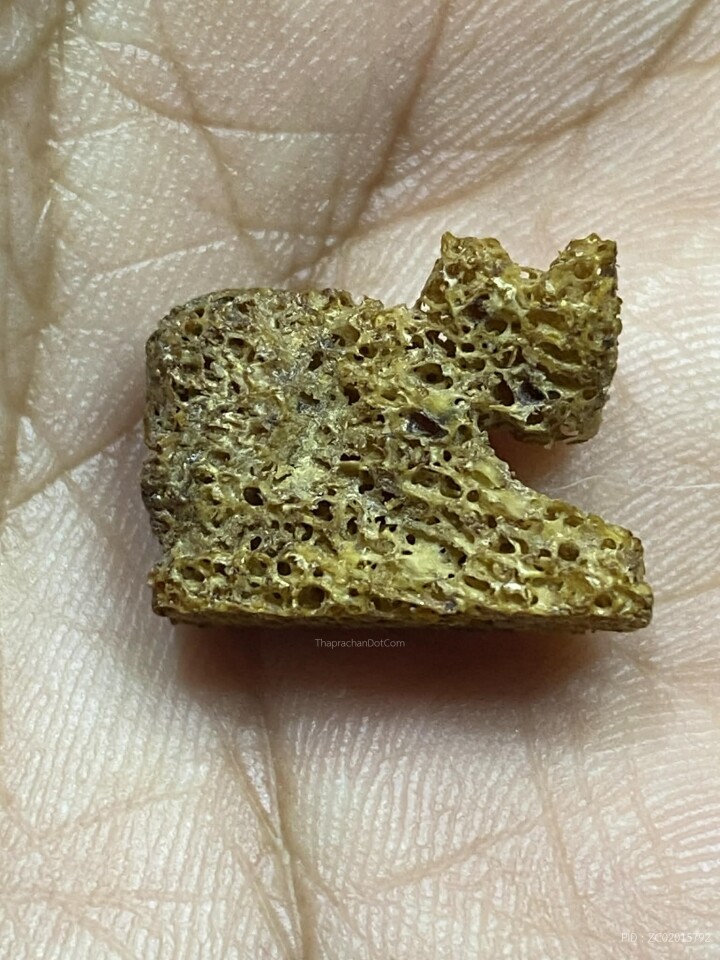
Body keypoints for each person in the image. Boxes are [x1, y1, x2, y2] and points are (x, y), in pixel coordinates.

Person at [2, 1, 718, 956]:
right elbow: (465, 516)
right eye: (549, 388)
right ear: (485, 331)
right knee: (584, 561)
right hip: (251, 503)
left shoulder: (426, 396)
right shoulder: (400, 389)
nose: (558, 427)